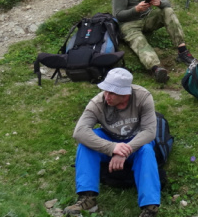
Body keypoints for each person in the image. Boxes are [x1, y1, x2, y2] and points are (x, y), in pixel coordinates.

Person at [63, 68, 161, 217]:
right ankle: (88, 198)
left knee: (147, 150)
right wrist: (112, 148)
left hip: (135, 142)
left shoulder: (143, 97)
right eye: (106, 90)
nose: (107, 96)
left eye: (112, 93)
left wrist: (125, 150)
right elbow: (80, 131)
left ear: (125, 93)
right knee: (86, 144)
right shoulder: (98, 102)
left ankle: (150, 208)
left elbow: (149, 132)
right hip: (109, 139)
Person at [112, 0, 196, 82]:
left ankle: (182, 51)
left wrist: (159, 2)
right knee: (139, 42)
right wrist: (136, 10)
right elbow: (118, 15)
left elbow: (167, 3)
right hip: (128, 24)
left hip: (147, 18)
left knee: (168, 11)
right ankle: (156, 68)